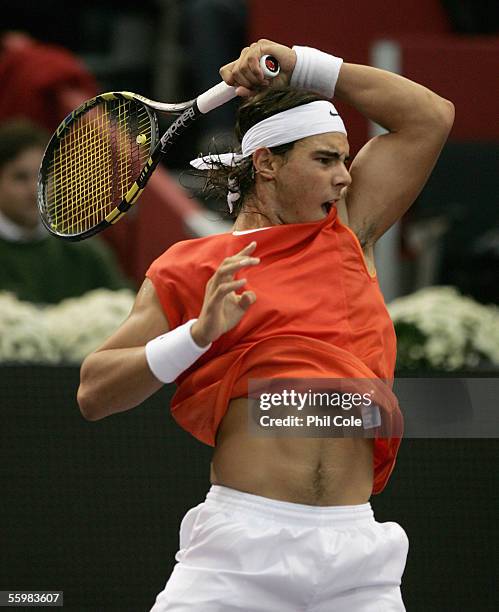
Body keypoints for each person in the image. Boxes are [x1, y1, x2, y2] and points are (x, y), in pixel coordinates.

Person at [77, 39, 454, 611]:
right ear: (267, 163)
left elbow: (431, 117)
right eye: (325, 160)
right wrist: (196, 336)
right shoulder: (189, 267)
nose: (345, 178)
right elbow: (94, 392)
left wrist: (302, 64)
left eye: (345, 160)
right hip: (238, 553)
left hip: (359, 560)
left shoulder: (349, 232)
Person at [0, 120, 132, 303]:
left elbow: (125, 306)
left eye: (42, 177)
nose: (34, 190)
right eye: (20, 178)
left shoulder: (84, 250)